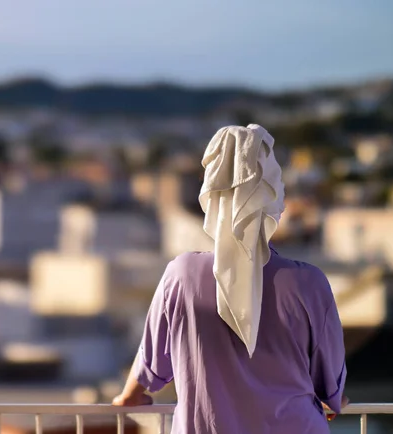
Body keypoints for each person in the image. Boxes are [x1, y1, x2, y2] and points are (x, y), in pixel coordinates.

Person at [112, 125, 348, 434]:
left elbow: (151, 365)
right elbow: (332, 387)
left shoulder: (181, 275)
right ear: (273, 194)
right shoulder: (308, 283)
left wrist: (131, 395)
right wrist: (333, 397)